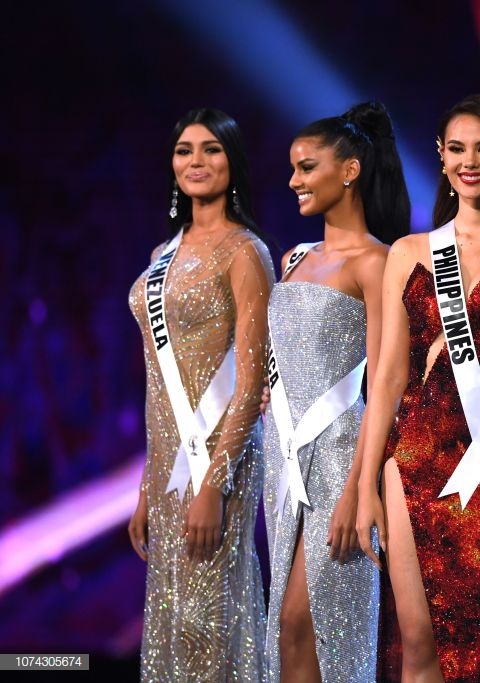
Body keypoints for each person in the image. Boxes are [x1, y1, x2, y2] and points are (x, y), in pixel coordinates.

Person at [356, 94, 480, 682]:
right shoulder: (410, 252)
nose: (470, 162)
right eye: (458, 149)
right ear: (441, 156)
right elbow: (388, 376)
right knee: (418, 641)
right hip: (416, 461)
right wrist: (365, 483)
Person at [262, 102, 410, 683]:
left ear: (349, 171)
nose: (293, 180)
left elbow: (385, 382)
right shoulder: (294, 259)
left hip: (339, 461)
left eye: (306, 167)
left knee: (310, 625)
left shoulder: (377, 261)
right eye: (293, 168)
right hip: (284, 461)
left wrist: (359, 489)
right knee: (287, 631)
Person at [127, 108, 274, 681]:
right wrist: (147, 487)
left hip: (220, 456)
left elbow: (253, 380)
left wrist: (214, 483)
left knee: (208, 621)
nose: (196, 161)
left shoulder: (245, 252)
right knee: (175, 621)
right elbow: (156, 386)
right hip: (167, 462)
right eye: (184, 150)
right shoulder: (161, 256)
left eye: (211, 149)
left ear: (232, 162)